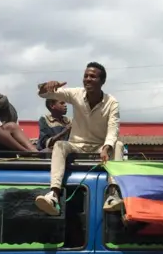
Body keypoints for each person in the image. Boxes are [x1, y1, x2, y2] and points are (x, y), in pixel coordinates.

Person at [35, 62, 122, 216]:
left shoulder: (112, 102)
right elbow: (44, 95)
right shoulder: (76, 94)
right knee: (60, 145)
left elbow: (113, 128)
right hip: (77, 145)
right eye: (86, 76)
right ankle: (54, 195)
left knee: (119, 144)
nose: (87, 79)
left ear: (102, 82)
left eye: (93, 76)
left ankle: (113, 195)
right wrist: (47, 86)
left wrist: (107, 147)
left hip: (100, 147)